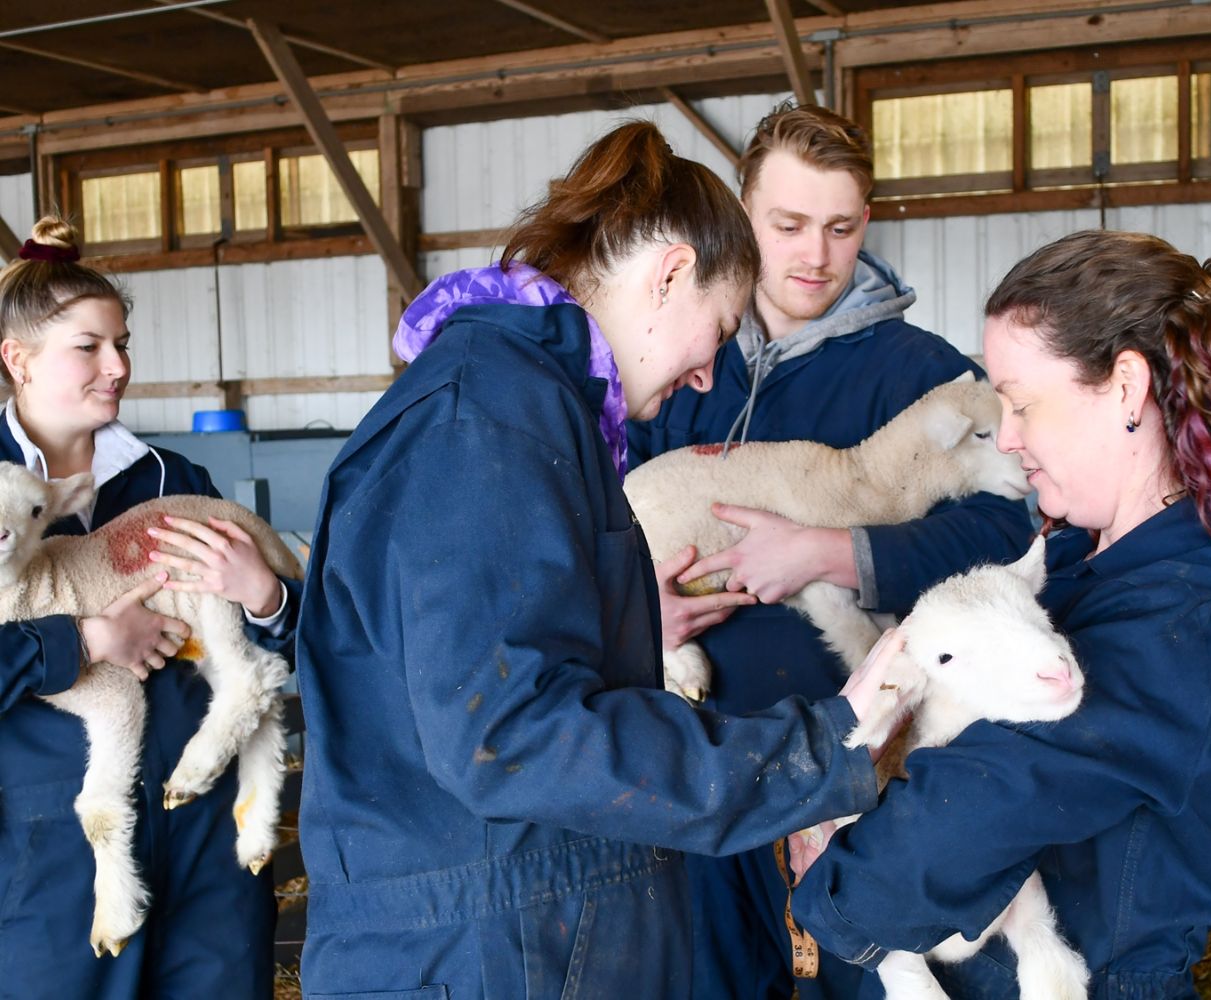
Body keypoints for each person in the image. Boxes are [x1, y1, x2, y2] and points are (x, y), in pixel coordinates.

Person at [292, 121, 906, 999]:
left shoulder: (528, 409)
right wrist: (806, 754)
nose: (705, 379)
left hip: (516, 932)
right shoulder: (485, 424)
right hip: (488, 953)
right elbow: (510, 736)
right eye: (721, 327)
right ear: (669, 273)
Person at [788, 229, 1211, 998]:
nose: (1008, 438)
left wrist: (830, 897)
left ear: (1124, 388)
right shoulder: (1081, 563)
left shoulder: (1186, 618)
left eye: (1020, 404)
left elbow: (987, 797)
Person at [627, 102, 1033, 999]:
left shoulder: (918, 373)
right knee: (713, 977)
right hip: (697, 759)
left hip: (863, 759)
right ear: (742, 217)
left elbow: (1007, 530)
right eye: (788, 225)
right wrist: (637, 608)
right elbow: (607, 522)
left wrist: (833, 553)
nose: (815, 254)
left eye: (841, 227)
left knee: (866, 974)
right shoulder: (684, 367)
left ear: (867, 224)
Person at [0, 218, 299, 999]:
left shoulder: (171, 476)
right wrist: (81, 641)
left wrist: (264, 595)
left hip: (201, 830)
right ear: (16, 359)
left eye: (123, 343)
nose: (118, 366)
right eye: (90, 347)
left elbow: (293, 636)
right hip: (49, 845)